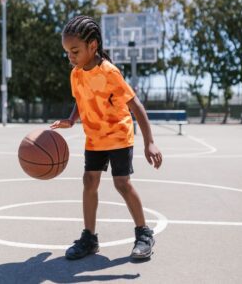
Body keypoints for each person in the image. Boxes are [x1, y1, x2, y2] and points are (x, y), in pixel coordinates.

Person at [50, 15, 162, 260]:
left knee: (121, 183)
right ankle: (89, 238)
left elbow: (136, 106)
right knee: (89, 182)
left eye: (75, 50)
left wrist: (149, 141)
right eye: (67, 51)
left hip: (119, 134)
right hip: (94, 138)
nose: (70, 56)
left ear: (93, 46)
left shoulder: (110, 72)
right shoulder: (76, 74)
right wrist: (71, 119)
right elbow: (80, 100)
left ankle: (144, 233)